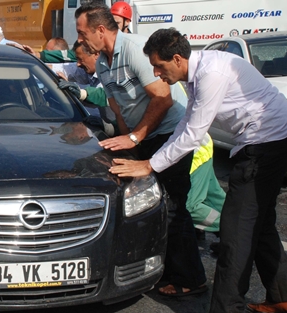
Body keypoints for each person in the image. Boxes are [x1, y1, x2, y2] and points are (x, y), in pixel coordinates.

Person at [109, 27, 287, 313]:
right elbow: (185, 125)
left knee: (235, 232)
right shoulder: (195, 74)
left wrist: (149, 165)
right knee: (261, 224)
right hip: (263, 142)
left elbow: (193, 134)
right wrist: (153, 160)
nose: (155, 73)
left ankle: (227, 308)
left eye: (159, 65)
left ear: (177, 59)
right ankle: (281, 297)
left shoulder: (211, 74)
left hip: (266, 144)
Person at [75, 3, 206, 297]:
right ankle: (159, 270)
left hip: (169, 135)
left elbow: (162, 98)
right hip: (142, 137)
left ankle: (190, 278)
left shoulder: (134, 49)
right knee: (147, 204)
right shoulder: (105, 62)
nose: (81, 40)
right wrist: (126, 143)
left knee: (172, 207)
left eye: (82, 33)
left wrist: (134, 138)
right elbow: (117, 106)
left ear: (100, 30)